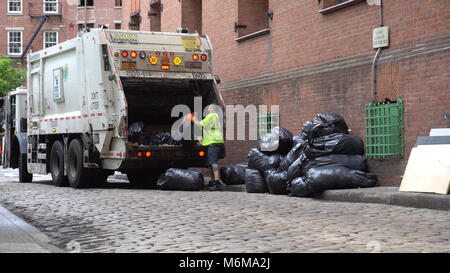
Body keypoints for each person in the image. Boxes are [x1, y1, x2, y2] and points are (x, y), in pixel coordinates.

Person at [192, 105, 225, 191]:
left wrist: (193, 118)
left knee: (213, 162)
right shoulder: (216, 116)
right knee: (210, 162)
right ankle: (213, 181)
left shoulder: (211, 115)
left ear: (212, 109)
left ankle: (217, 182)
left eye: (209, 108)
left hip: (213, 141)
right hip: (215, 141)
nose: (208, 109)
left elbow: (199, 124)